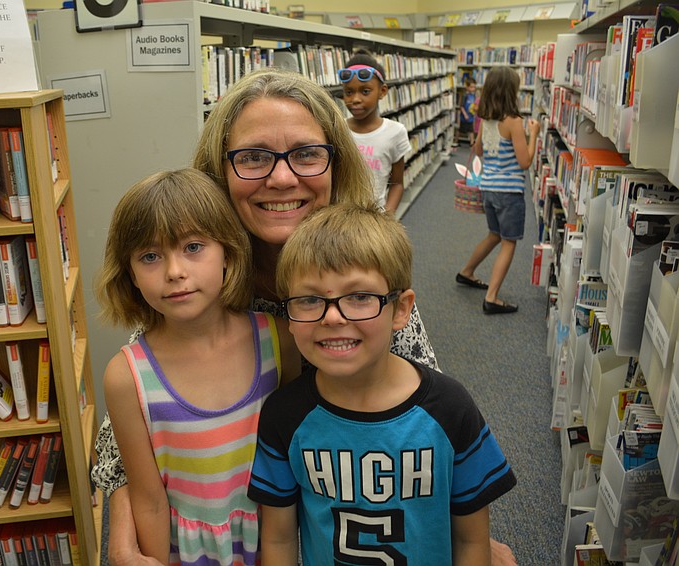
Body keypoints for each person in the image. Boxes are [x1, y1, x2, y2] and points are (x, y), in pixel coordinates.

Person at [92, 68, 516, 566]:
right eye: (252, 157)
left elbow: (423, 413)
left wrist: (459, 529)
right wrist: (122, 539)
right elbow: (129, 434)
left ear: (337, 163)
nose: (282, 177)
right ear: (217, 172)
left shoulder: (364, 270)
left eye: (307, 154)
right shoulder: (196, 282)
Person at [249, 202, 517, 564]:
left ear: (402, 309)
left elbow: (471, 541)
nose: (332, 317)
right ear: (289, 315)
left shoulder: (450, 409)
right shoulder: (284, 416)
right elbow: (280, 541)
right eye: (310, 300)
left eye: (359, 297)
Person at [98, 168, 301, 564]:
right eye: (150, 256)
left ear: (229, 252)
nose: (174, 272)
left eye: (193, 247)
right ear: (130, 275)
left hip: (275, 544)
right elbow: (149, 501)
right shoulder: (127, 378)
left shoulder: (280, 341)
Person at [457, 66, 541, 315]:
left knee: (494, 234)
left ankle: (467, 272)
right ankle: (492, 297)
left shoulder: (487, 120)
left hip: (488, 189)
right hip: (509, 192)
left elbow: (480, 151)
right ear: (511, 92)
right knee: (508, 242)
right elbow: (525, 162)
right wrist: (533, 135)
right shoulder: (514, 122)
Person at [340, 50, 411, 214]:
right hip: (339, 219)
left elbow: (397, 183)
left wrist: (386, 220)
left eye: (365, 91)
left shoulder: (395, 132)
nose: (355, 99)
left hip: (375, 219)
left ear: (382, 91)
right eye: (349, 92)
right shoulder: (337, 129)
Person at [460, 77, 478, 147]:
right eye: (471, 87)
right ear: (467, 87)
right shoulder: (465, 95)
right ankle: (455, 140)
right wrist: (465, 115)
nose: (473, 89)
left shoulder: (474, 95)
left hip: (471, 116)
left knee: (471, 130)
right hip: (464, 117)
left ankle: (471, 143)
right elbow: (461, 106)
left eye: (474, 87)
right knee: (461, 130)